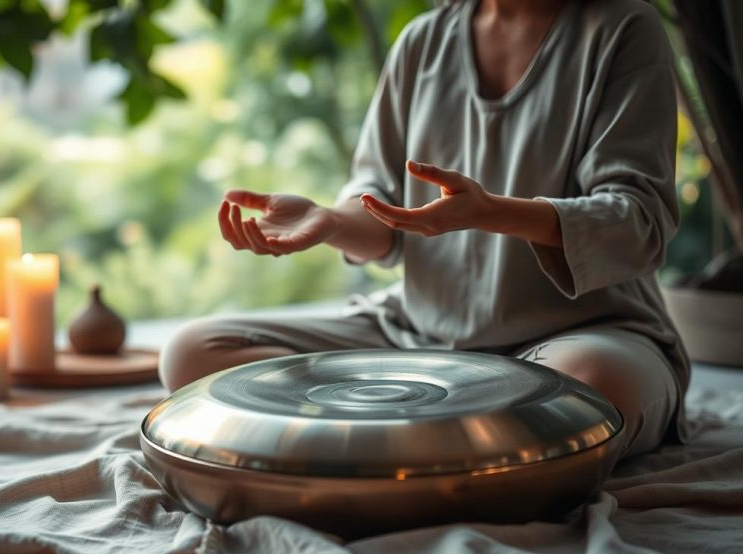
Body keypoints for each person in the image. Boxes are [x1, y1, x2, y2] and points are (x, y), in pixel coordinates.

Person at [159, 0, 689, 458]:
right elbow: (384, 218)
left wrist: (490, 211)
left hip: (580, 336)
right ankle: (462, 435)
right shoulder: (423, 42)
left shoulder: (624, 27)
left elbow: (638, 222)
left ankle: (392, 433)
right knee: (192, 353)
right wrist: (331, 220)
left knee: (592, 388)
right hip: (419, 338)